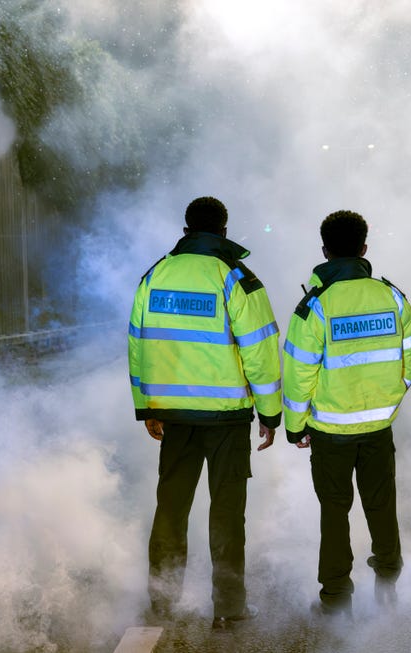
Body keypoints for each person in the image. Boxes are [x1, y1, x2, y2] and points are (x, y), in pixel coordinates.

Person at [128, 196, 282, 630]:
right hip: (226, 418)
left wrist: (147, 407)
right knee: (227, 513)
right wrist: (270, 414)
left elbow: (138, 342)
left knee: (171, 509)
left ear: (186, 227)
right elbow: (260, 350)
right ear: (224, 229)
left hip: (174, 415)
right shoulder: (235, 277)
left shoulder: (156, 274)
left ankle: (161, 602)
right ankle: (229, 609)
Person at [282, 210, 411, 618]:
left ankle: (337, 597)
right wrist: (387, 402)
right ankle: (388, 583)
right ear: (364, 249)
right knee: (382, 506)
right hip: (379, 430)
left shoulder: (314, 307)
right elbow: (410, 366)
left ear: (324, 252)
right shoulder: (393, 298)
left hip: (329, 434)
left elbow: (298, 376)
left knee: (334, 512)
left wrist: (295, 427)